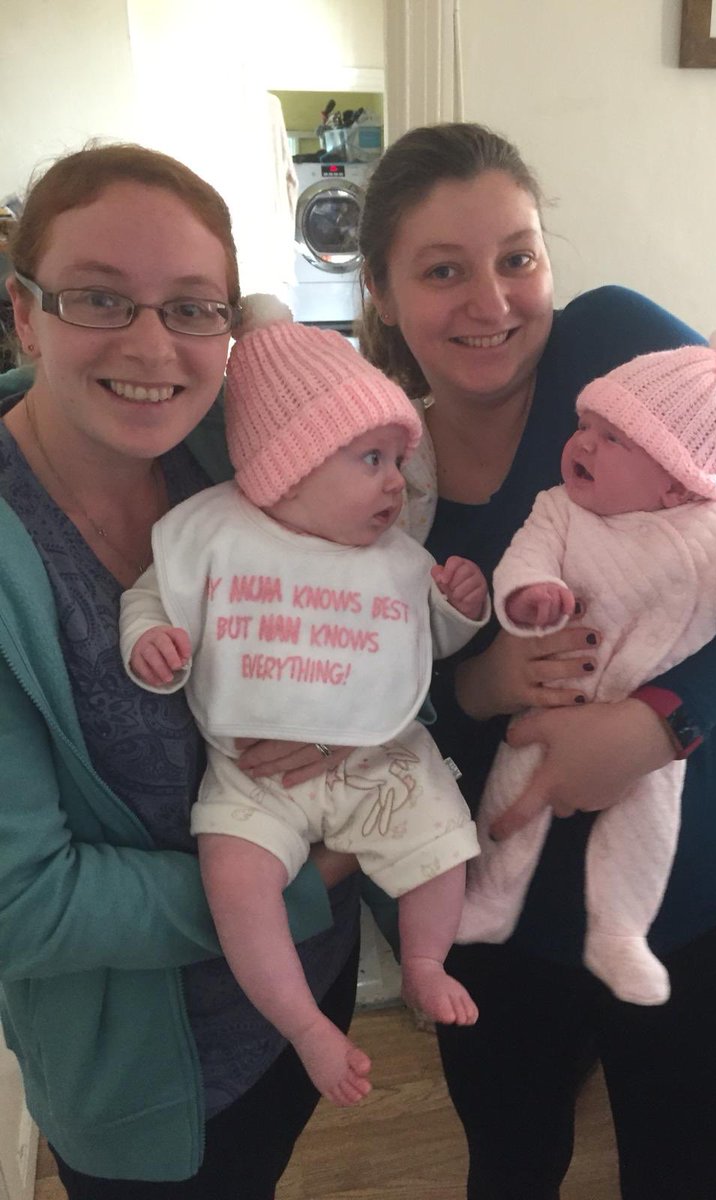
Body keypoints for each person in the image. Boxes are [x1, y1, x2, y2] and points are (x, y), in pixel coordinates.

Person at [357, 122, 716, 1200]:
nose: (493, 303)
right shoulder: (375, 471)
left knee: (690, 1179)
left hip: (709, 901)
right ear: (384, 294)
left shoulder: (617, 343)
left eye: (518, 257)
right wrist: (479, 684)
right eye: (443, 271)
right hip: (495, 923)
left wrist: (655, 722)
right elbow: (361, 701)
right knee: (511, 1171)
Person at [0, 144, 364, 1198]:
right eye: (100, 299)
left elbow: (357, 609)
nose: (153, 346)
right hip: (159, 1088)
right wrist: (304, 884)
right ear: (26, 314)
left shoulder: (236, 456)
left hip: (307, 998)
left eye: (191, 307)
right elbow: (23, 904)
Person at [120, 314, 486, 1106]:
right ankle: (304, 1024)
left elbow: (428, 647)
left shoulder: (397, 560)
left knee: (444, 838)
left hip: (378, 759)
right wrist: (149, 640)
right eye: (370, 459)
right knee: (235, 881)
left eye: (397, 459)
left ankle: (424, 960)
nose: (397, 481)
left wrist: (460, 609)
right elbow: (153, 597)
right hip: (252, 774)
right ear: (288, 469)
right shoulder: (212, 533)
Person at [457, 317, 716, 1006]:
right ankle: (490, 899)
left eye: (613, 438)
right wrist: (530, 597)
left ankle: (620, 931)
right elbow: (525, 560)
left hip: (652, 740)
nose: (583, 443)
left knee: (647, 830)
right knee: (509, 803)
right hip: (554, 703)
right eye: (584, 425)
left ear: (680, 483)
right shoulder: (560, 508)